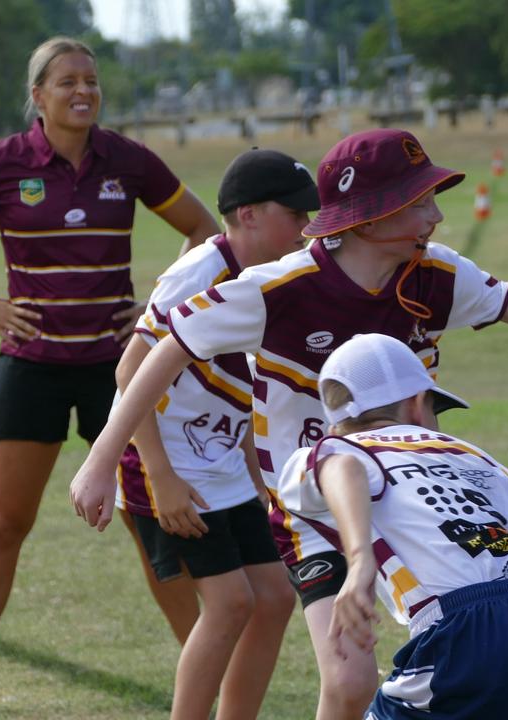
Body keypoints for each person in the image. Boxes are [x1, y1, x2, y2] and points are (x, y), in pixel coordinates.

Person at [69, 127, 508, 719]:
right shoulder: (279, 290)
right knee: (348, 678)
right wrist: (103, 459)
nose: (434, 213)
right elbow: (160, 356)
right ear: (366, 217)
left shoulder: (436, 278)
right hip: (311, 507)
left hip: (404, 497)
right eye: (417, 199)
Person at [0, 36, 218, 708]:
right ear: (38, 96)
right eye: (67, 82)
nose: (83, 91)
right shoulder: (2, 164)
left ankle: (203, 668)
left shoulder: (126, 159)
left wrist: (154, 308)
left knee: (151, 523)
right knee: (6, 523)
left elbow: (204, 232)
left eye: (90, 80)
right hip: (30, 369)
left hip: (117, 373)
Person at [286, 333, 508, 718]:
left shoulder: (335, 450)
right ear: (418, 405)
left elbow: (342, 467)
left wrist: (359, 563)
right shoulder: (474, 455)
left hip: (465, 634)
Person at [111, 148, 316, 719]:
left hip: (221, 459)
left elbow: (242, 386)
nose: (306, 227)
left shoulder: (275, 276)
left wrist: (264, 481)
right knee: (228, 605)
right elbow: (130, 371)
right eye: (294, 213)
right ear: (247, 214)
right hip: (166, 459)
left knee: (274, 598)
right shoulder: (200, 272)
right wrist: (162, 477)